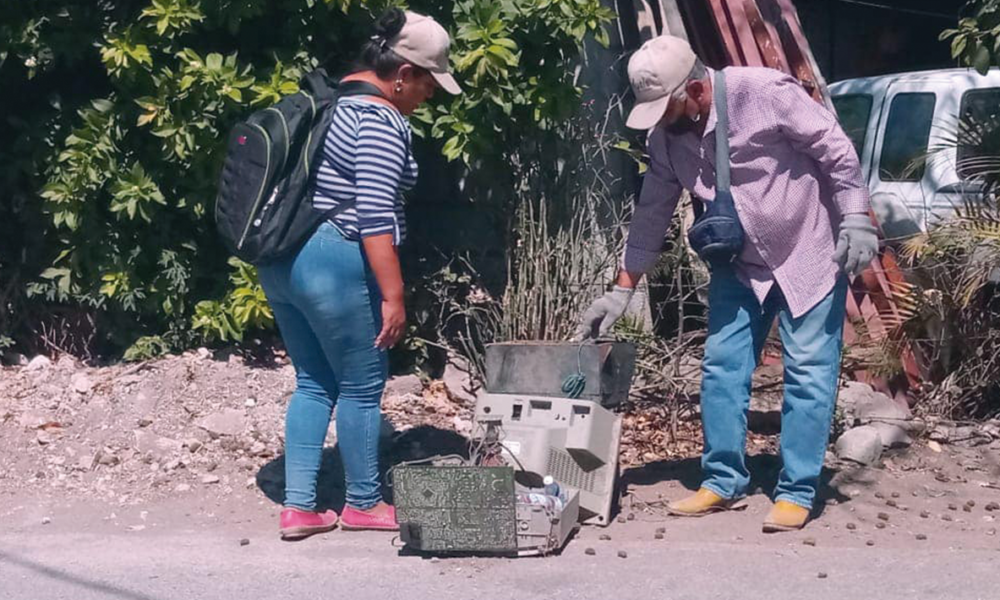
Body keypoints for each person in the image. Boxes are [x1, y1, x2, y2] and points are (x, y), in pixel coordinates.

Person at [576, 35, 877, 532]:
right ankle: (722, 481)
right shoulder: (666, 137)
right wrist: (622, 288)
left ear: (694, 89)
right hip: (739, 266)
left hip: (809, 253)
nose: (661, 120)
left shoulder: (765, 93)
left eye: (666, 106)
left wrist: (856, 218)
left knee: (807, 375)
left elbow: (835, 149)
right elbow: (651, 211)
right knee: (720, 369)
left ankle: (798, 489)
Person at [258, 8, 461, 541]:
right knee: (363, 386)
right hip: (333, 259)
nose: (429, 96)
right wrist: (394, 296)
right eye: (428, 83)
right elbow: (373, 215)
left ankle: (299, 506)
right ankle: (364, 503)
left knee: (313, 381)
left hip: (281, 259)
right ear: (403, 74)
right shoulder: (379, 121)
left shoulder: (332, 104)